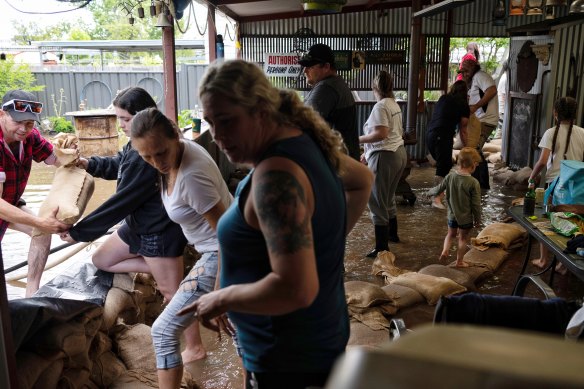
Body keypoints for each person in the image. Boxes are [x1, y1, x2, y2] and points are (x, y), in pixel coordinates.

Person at [176, 59, 372, 389]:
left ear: (262, 111)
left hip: (286, 358)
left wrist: (224, 299)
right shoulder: (308, 144)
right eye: (211, 122)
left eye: (227, 121)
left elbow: (297, 288)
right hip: (315, 340)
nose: (218, 136)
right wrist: (324, 244)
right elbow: (363, 180)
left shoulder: (275, 179)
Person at [59, 87, 207, 363]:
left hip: (158, 231)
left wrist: (79, 232)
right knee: (102, 258)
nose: (122, 125)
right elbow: (119, 164)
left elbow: (122, 201)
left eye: (125, 119)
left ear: (141, 117)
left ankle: (195, 346)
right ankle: (161, 269)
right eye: (119, 119)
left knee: (173, 294)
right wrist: (87, 163)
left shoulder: (147, 150)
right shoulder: (135, 142)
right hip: (138, 225)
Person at [130, 107, 233, 389]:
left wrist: (221, 291)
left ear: (176, 135)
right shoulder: (176, 154)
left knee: (163, 332)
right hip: (215, 250)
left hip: (225, 252)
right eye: (146, 156)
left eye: (160, 153)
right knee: (247, 336)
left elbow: (227, 235)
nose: (155, 162)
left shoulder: (191, 177)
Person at [0, 90, 71, 297]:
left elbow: (60, 162)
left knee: (41, 233)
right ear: (2, 114)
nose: (23, 129)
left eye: (30, 123)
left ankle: (32, 294)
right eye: (18, 122)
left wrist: (70, 152)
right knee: (41, 225)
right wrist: (40, 222)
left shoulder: (30, 137)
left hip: (10, 200)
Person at [528, 96, 584, 272]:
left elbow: (543, 161)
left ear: (555, 113)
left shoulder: (551, 132)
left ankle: (544, 260)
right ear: (575, 114)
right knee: (574, 221)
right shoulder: (582, 132)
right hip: (578, 184)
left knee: (548, 220)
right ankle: (563, 263)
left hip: (555, 184)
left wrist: (532, 177)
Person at [359, 70, 407, 256]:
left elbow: (381, 133)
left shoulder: (380, 106)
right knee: (387, 197)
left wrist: (359, 139)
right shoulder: (393, 104)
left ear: (374, 88)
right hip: (398, 153)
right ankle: (392, 235)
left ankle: (381, 247)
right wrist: (368, 153)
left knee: (377, 200)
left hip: (385, 156)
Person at [299, 43, 360, 160]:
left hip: (337, 164)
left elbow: (303, 123)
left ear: (326, 67)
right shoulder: (336, 83)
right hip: (345, 160)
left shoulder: (326, 88)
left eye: (310, 66)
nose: (305, 71)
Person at [427, 147, 482, 268]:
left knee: (450, 235)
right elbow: (476, 204)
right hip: (466, 218)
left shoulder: (450, 177)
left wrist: (429, 192)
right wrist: (478, 219)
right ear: (473, 164)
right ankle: (459, 261)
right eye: (476, 164)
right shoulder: (473, 182)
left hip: (452, 216)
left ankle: (445, 250)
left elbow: (438, 188)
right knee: (462, 239)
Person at [426, 80, 470, 210]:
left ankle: (434, 193)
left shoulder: (443, 98)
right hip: (443, 135)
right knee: (444, 166)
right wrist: (467, 147)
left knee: (445, 164)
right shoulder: (463, 105)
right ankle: (436, 198)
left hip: (429, 134)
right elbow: (463, 130)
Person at [459, 57, 498, 190]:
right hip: (480, 120)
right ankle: (481, 185)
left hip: (485, 120)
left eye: (466, 71)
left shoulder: (480, 76)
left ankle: (478, 185)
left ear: (474, 68)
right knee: (477, 151)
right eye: (462, 72)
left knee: (474, 151)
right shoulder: (473, 80)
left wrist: (475, 106)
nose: (464, 74)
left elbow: (492, 90)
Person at [494, 60, 509, 140]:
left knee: (501, 128)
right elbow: (504, 95)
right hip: (502, 107)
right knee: (500, 129)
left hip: (502, 107)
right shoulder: (505, 78)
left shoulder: (505, 76)